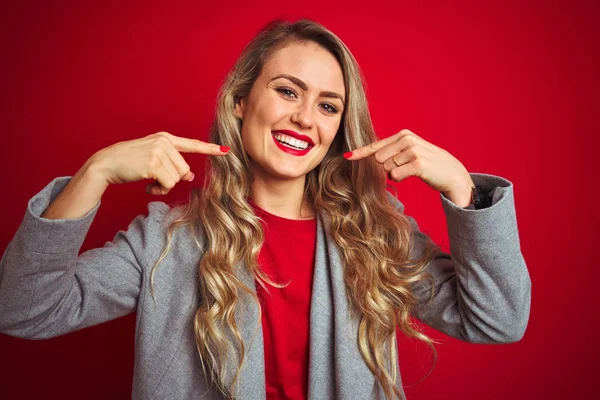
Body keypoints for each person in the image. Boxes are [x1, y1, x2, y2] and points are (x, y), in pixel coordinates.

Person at [0, 19, 531, 400]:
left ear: (337, 131)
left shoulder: (375, 234)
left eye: (327, 106)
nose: (305, 118)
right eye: (286, 91)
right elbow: (23, 309)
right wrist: (95, 173)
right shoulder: (165, 240)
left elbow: (498, 320)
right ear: (240, 102)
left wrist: (463, 188)